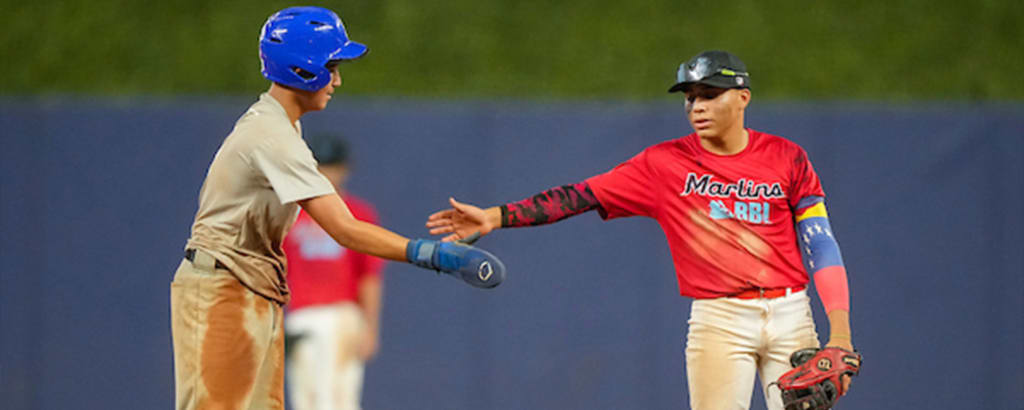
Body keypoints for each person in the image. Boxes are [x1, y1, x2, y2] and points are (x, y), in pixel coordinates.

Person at [425, 50, 857, 410]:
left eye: (709, 94)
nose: (697, 107)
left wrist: (839, 333)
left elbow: (820, 243)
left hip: (791, 312)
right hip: (719, 318)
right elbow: (581, 195)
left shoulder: (786, 157)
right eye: (689, 98)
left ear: (743, 97)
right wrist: (496, 216)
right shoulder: (663, 164)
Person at [169, 7, 505, 410]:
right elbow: (344, 228)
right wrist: (430, 253)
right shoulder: (272, 135)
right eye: (331, 66)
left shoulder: (283, 127)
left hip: (249, 283)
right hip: (223, 285)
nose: (338, 79)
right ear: (303, 69)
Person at [283, 134, 384, 410]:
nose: (326, 174)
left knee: (337, 401)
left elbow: (369, 276)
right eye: (321, 167)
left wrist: (370, 326)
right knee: (306, 401)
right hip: (300, 315)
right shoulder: (289, 213)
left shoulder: (358, 214)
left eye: (332, 167)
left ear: (344, 169)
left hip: (341, 315)